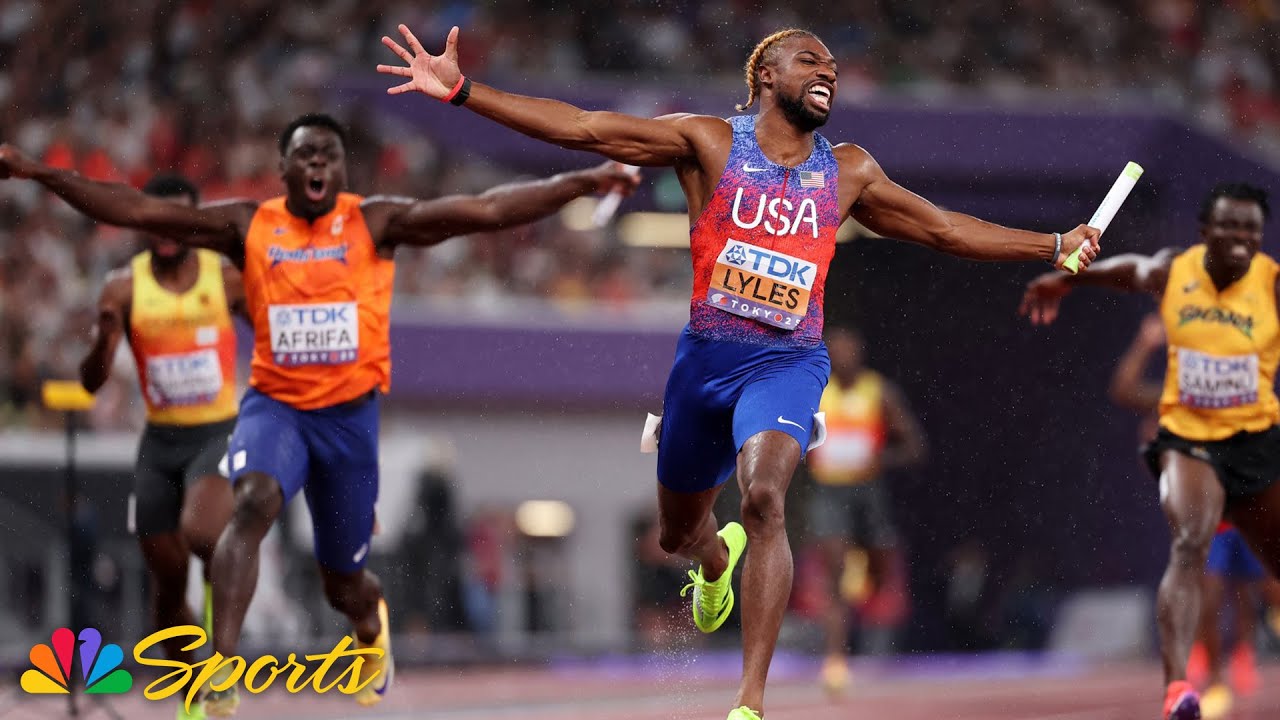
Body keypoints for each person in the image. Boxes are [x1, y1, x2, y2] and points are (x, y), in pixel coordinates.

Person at [378, 25, 1100, 719]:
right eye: (810, 62)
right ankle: (713, 565)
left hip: (787, 361)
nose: (828, 74)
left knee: (764, 499)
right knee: (677, 535)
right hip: (704, 363)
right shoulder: (709, 141)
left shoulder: (847, 169)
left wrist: (1052, 243)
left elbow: (942, 227)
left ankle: (749, 700)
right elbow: (586, 128)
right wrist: (464, 91)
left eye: (835, 70)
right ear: (766, 75)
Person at [0, 114, 637, 717]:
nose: (315, 162)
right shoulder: (248, 226)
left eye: (327, 155)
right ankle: (219, 667)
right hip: (275, 407)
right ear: (283, 168)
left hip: (348, 422)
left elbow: (487, 210)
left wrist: (580, 181)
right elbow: (136, 208)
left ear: (341, 169)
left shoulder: (374, 223)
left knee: (344, 581)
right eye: (303, 153)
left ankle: (368, 624)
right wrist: (39, 172)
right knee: (252, 503)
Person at [1021, 182, 1278, 720]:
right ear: (1205, 232)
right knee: (1190, 545)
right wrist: (1066, 277)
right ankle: (1180, 686)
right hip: (1189, 439)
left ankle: (1248, 649)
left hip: (1254, 440)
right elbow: (1129, 269)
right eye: (1229, 226)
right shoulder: (1175, 270)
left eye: (1251, 228)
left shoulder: (1270, 285)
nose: (1240, 238)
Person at [78, 173, 241, 720]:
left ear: (196, 223)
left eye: (180, 220)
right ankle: (192, 695)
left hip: (217, 431)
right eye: (158, 219)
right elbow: (91, 382)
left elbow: (271, 330)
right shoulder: (122, 288)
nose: (168, 232)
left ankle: (224, 653)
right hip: (160, 441)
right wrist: (104, 339)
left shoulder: (225, 279)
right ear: (143, 222)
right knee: (168, 589)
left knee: (205, 535)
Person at [1109, 312, 1268, 720]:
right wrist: (1146, 343)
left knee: (1254, 590)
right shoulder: (1175, 396)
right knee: (1210, 591)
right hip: (1205, 512)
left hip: (1246, 502)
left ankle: (1245, 649)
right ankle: (1214, 676)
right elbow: (1124, 389)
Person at [804, 326, 925, 693]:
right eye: (835, 351)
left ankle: (877, 646)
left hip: (868, 490)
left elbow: (915, 446)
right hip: (829, 490)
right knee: (836, 569)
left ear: (859, 354)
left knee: (877, 571)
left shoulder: (879, 392)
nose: (842, 358)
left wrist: (878, 456)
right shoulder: (816, 394)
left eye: (848, 351)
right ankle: (835, 658)